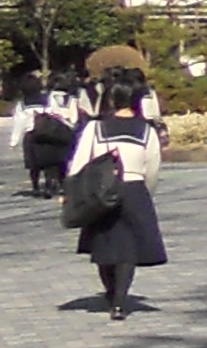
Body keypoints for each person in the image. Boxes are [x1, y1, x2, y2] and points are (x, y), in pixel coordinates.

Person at [66, 69, 167, 317]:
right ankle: (120, 301)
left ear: (111, 99)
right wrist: (146, 193)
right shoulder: (147, 132)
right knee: (129, 250)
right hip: (134, 189)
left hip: (101, 192)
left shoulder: (95, 128)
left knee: (103, 246)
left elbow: (78, 163)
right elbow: (152, 168)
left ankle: (111, 291)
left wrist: (72, 192)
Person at [16, 78, 77, 198]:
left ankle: (36, 186)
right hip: (49, 133)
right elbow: (57, 113)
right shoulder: (48, 99)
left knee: (34, 165)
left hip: (31, 135)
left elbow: (19, 123)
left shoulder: (22, 104)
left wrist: (14, 140)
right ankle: (51, 184)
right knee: (51, 161)